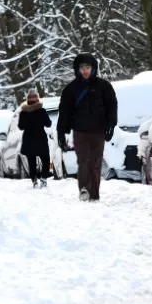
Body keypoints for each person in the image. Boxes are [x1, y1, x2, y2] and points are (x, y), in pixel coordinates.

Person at [57, 53, 117, 201]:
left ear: (93, 68)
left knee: (95, 162)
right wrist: (61, 132)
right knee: (83, 160)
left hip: (98, 131)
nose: (85, 71)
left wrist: (111, 125)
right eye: (82, 68)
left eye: (87, 67)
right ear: (77, 69)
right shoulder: (71, 89)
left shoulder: (104, 86)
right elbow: (64, 111)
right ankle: (84, 189)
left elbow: (112, 106)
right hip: (80, 131)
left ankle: (94, 194)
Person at [18, 88, 52, 188]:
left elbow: (21, 126)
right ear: (37, 99)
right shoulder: (41, 111)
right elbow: (49, 124)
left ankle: (34, 180)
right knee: (46, 159)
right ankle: (44, 178)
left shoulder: (23, 112)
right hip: (40, 138)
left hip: (29, 139)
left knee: (31, 161)